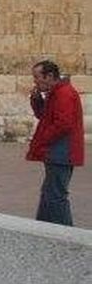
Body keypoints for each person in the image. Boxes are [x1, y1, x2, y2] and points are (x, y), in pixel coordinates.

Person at [27, 60, 83, 226]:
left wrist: (43, 139)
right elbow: (45, 116)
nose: (35, 81)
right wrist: (37, 100)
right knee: (48, 193)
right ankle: (42, 228)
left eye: (37, 77)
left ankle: (66, 233)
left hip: (62, 151)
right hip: (56, 151)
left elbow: (63, 124)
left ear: (49, 76)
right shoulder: (55, 93)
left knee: (56, 195)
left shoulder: (64, 93)